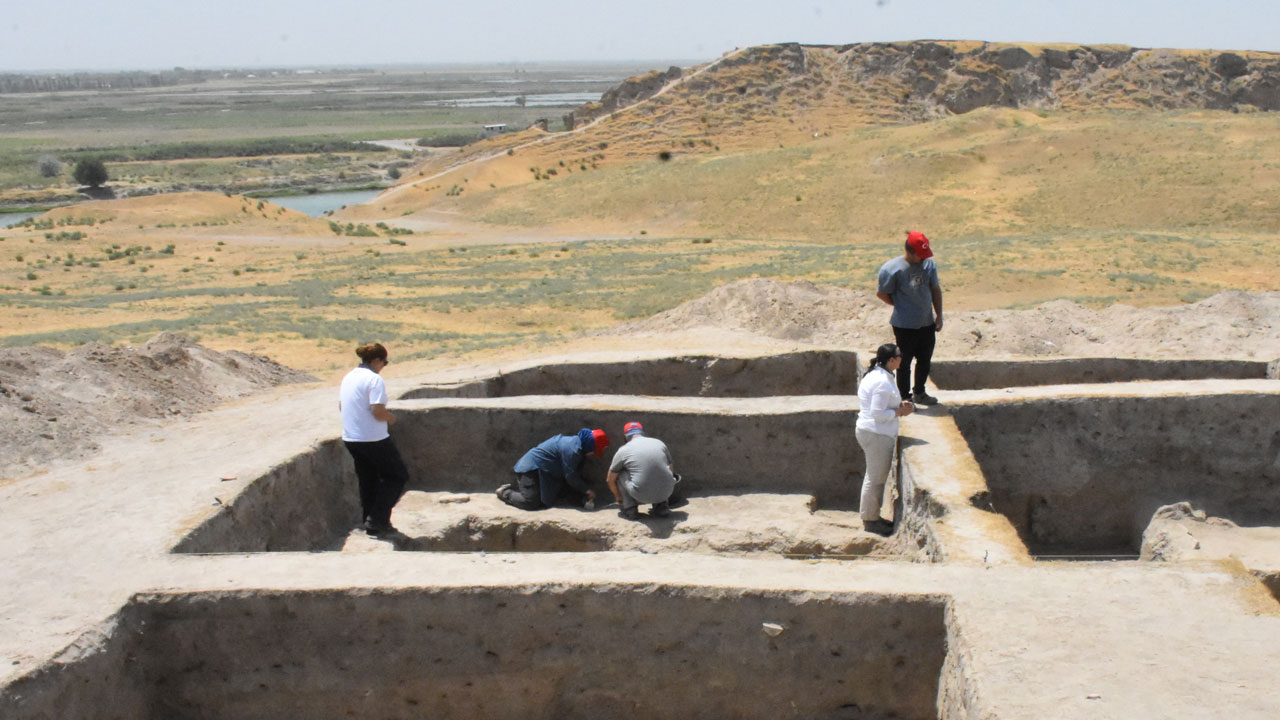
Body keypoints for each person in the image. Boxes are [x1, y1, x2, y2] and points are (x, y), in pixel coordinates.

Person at [338, 342, 409, 537]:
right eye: (384, 362)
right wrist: (390, 418)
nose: (383, 366)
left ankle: (370, 522)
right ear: (376, 360)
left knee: (368, 479)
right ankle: (377, 520)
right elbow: (377, 410)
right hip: (373, 439)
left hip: (351, 438)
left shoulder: (349, 377)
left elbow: (342, 406)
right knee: (397, 476)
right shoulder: (373, 379)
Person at [876, 230, 943, 406]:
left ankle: (920, 392)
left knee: (925, 360)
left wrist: (939, 315)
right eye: (920, 255)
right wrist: (901, 304)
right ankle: (904, 397)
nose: (923, 259)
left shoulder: (929, 265)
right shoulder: (892, 269)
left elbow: (935, 289)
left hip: (926, 323)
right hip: (904, 326)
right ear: (910, 252)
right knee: (903, 363)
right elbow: (882, 293)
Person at [855, 343, 915, 537]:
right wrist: (900, 411)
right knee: (875, 478)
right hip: (876, 434)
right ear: (891, 360)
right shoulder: (881, 381)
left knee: (874, 476)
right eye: (899, 355)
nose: (901, 358)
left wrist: (898, 405)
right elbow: (878, 413)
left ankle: (871, 516)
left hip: (873, 432)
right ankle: (871, 520)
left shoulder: (879, 375)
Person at [498, 428, 609, 510]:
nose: (596, 454)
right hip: (530, 469)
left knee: (547, 502)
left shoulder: (578, 446)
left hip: (544, 473)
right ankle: (505, 493)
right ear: (591, 447)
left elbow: (575, 475)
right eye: (597, 450)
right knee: (530, 502)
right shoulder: (572, 451)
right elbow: (571, 477)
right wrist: (587, 490)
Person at [606, 421, 677, 520]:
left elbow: (610, 479)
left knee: (620, 473)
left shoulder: (623, 450)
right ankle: (661, 507)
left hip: (640, 495)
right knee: (659, 469)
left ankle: (630, 509)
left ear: (625, 437)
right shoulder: (659, 443)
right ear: (641, 432)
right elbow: (670, 468)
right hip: (667, 492)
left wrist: (618, 497)